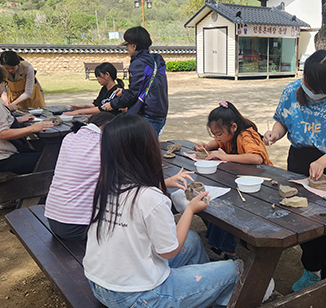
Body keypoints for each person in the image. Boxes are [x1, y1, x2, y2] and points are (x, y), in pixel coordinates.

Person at [83, 114, 241, 307]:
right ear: (148, 151)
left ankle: (200, 297)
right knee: (232, 271)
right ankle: (204, 294)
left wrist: (163, 183)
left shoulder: (105, 186)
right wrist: (190, 210)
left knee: (191, 239)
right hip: (139, 297)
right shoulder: (151, 199)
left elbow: (135, 197)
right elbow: (169, 252)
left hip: (101, 286)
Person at [263, 50, 326, 292]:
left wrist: (323, 162)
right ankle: (311, 271)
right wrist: (275, 133)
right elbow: (282, 121)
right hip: (297, 160)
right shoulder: (291, 90)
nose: (310, 91)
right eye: (308, 84)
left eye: (317, 90)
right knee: (300, 219)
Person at [45, 113, 194, 241]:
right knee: (146, 209)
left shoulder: (71, 137)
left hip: (53, 217)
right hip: (78, 226)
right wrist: (166, 184)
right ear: (111, 128)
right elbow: (134, 191)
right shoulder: (105, 146)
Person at [194, 101, 273, 260]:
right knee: (215, 202)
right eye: (214, 133)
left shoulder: (246, 135)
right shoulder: (227, 135)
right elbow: (218, 142)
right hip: (239, 180)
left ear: (234, 127)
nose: (217, 137)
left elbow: (257, 158)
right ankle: (218, 245)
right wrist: (207, 146)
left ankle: (229, 253)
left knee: (227, 208)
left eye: (219, 133)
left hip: (260, 184)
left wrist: (226, 156)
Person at [0, 63, 53, 174]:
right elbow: (3, 134)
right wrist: (33, 128)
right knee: (50, 158)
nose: (5, 87)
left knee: (43, 149)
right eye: (5, 83)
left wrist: (19, 120)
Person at [101, 26, 168, 136]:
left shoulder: (138, 64)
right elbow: (144, 88)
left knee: (137, 150)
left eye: (127, 45)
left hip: (147, 115)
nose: (126, 48)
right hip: (159, 112)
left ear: (133, 46)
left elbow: (134, 94)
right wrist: (124, 92)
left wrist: (112, 104)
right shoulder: (155, 61)